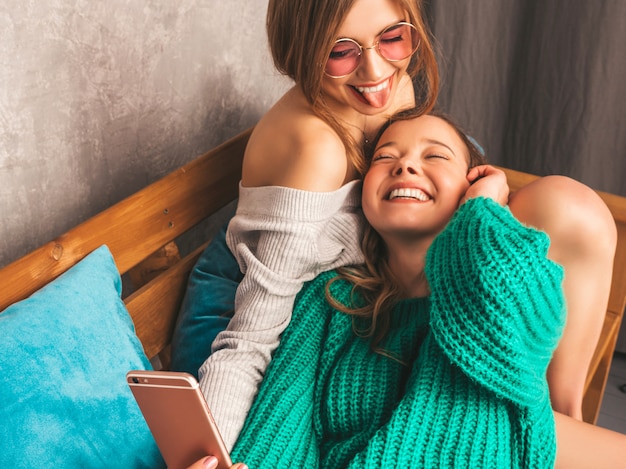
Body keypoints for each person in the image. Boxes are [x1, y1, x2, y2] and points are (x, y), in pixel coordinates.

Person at [196, 0, 617, 452]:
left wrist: (480, 206)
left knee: (567, 206)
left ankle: (557, 412)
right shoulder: (315, 150)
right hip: (267, 302)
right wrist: (208, 449)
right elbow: (253, 336)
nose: (375, 69)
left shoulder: (389, 86)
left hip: (402, 279)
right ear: (303, 49)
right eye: (341, 51)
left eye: (393, 37)